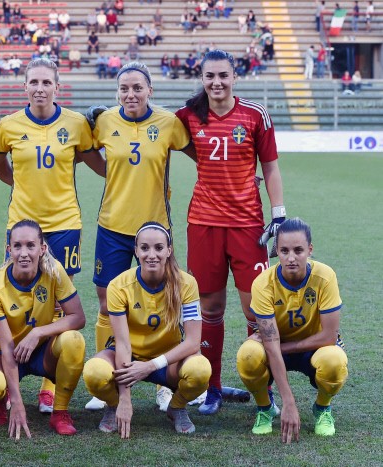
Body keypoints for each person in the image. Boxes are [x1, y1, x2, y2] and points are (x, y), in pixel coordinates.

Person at [0, 58, 104, 413]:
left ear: (57, 86)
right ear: (24, 87)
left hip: (64, 223)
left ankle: (49, 387)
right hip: (21, 226)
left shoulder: (77, 124)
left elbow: (97, 164)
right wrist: (18, 182)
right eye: (33, 82)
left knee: (56, 302)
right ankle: (11, 374)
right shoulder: (8, 126)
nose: (39, 88)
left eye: (46, 82)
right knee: (14, 297)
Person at [175, 49, 286, 415]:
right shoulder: (189, 116)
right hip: (204, 224)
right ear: (202, 78)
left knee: (256, 310)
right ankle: (213, 388)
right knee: (210, 307)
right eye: (210, 76)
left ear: (235, 76)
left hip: (247, 225)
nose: (217, 82)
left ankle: (262, 390)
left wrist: (279, 214)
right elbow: (169, 136)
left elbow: (269, 167)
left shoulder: (255, 115)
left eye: (223, 75)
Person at [84, 62, 191, 411]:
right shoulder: (104, 122)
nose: (131, 94)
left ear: (150, 90)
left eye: (137, 88)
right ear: (117, 92)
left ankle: (164, 379)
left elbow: (198, 152)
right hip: (113, 226)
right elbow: (85, 151)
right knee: (105, 302)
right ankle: (109, 381)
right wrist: (109, 173)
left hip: (155, 229)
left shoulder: (168, 123)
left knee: (166, 301)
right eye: (124, 89)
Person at [83, 222, 210, 436]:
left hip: (167, 362)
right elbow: (122, 343)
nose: (152, 255)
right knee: (94, 372)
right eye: (145, 248)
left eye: (159, 248)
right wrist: (124, 399)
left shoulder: (186, 283)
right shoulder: (118, 285)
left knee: (200, 370)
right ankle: (113, 407)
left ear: (169, 250)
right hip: (127, 359)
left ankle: (176, 407)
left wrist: (151, 365)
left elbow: (192, 342)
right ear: (136, 251)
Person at [236, 218, 348, 442]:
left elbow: (328, 336)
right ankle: (265, 408)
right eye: (284, 250)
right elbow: (269, 343)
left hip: (315, 347)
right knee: (248, 355)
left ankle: (323, 408)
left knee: (334, 361)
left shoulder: (325, 277)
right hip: (276, 347)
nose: (291, 258)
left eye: (298, 250)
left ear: (310, 249)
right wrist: (288, 402)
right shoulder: (262, 283)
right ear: (276, 250)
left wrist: (281, 347)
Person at [0, 219, 87, 437]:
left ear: (42, 249)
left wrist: (38, 332)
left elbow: (78, 318)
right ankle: (0, 398)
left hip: (41, 350)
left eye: (30, 246)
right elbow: (7, 348)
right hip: (4, 351)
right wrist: (17, 401)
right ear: (9, 250)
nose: (24, 253)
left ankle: (60, 412)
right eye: (17, 246)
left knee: (74, 341)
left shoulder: (54, 272)